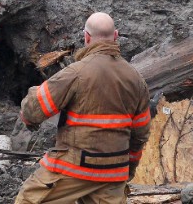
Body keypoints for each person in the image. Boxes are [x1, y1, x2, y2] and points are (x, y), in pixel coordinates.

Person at [15, 12, 151, 204]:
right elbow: (141, 133)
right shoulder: (136, 79)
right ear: (116, 36)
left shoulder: (76, 72)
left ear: (86, 37)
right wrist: (129, 168)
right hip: (114, 171)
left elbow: (34, 109)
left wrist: (27, 116)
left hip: (76, 166)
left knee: (29, 199)